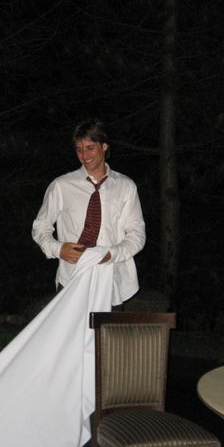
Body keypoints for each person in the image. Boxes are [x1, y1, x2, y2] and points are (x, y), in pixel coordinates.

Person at [32, 119, 146, 308]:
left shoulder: (125, 186)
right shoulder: (61, 186)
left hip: (112, 280)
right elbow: (40, 227)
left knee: (108, 329)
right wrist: (58, 249)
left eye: (90, 148)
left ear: (104, 146)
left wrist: (111, 254)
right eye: (79, 150)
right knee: (68, 328)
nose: (84, 156)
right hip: (71, 277)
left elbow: (137, 234)